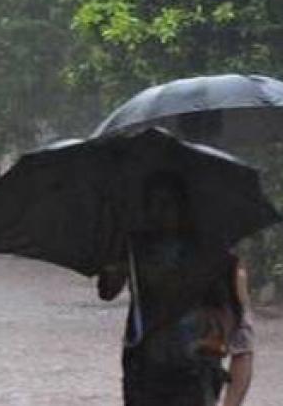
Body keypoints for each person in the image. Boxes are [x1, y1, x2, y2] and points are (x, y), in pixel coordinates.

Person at [97, 171, 254, 406]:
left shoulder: (215, 257)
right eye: (152, 205)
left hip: (194, 372)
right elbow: (107, 291)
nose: (159, 212)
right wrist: (114, 260)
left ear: (185, 207)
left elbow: (242, 338)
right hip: (143, 372)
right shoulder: (135, 249)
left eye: (167, 203)